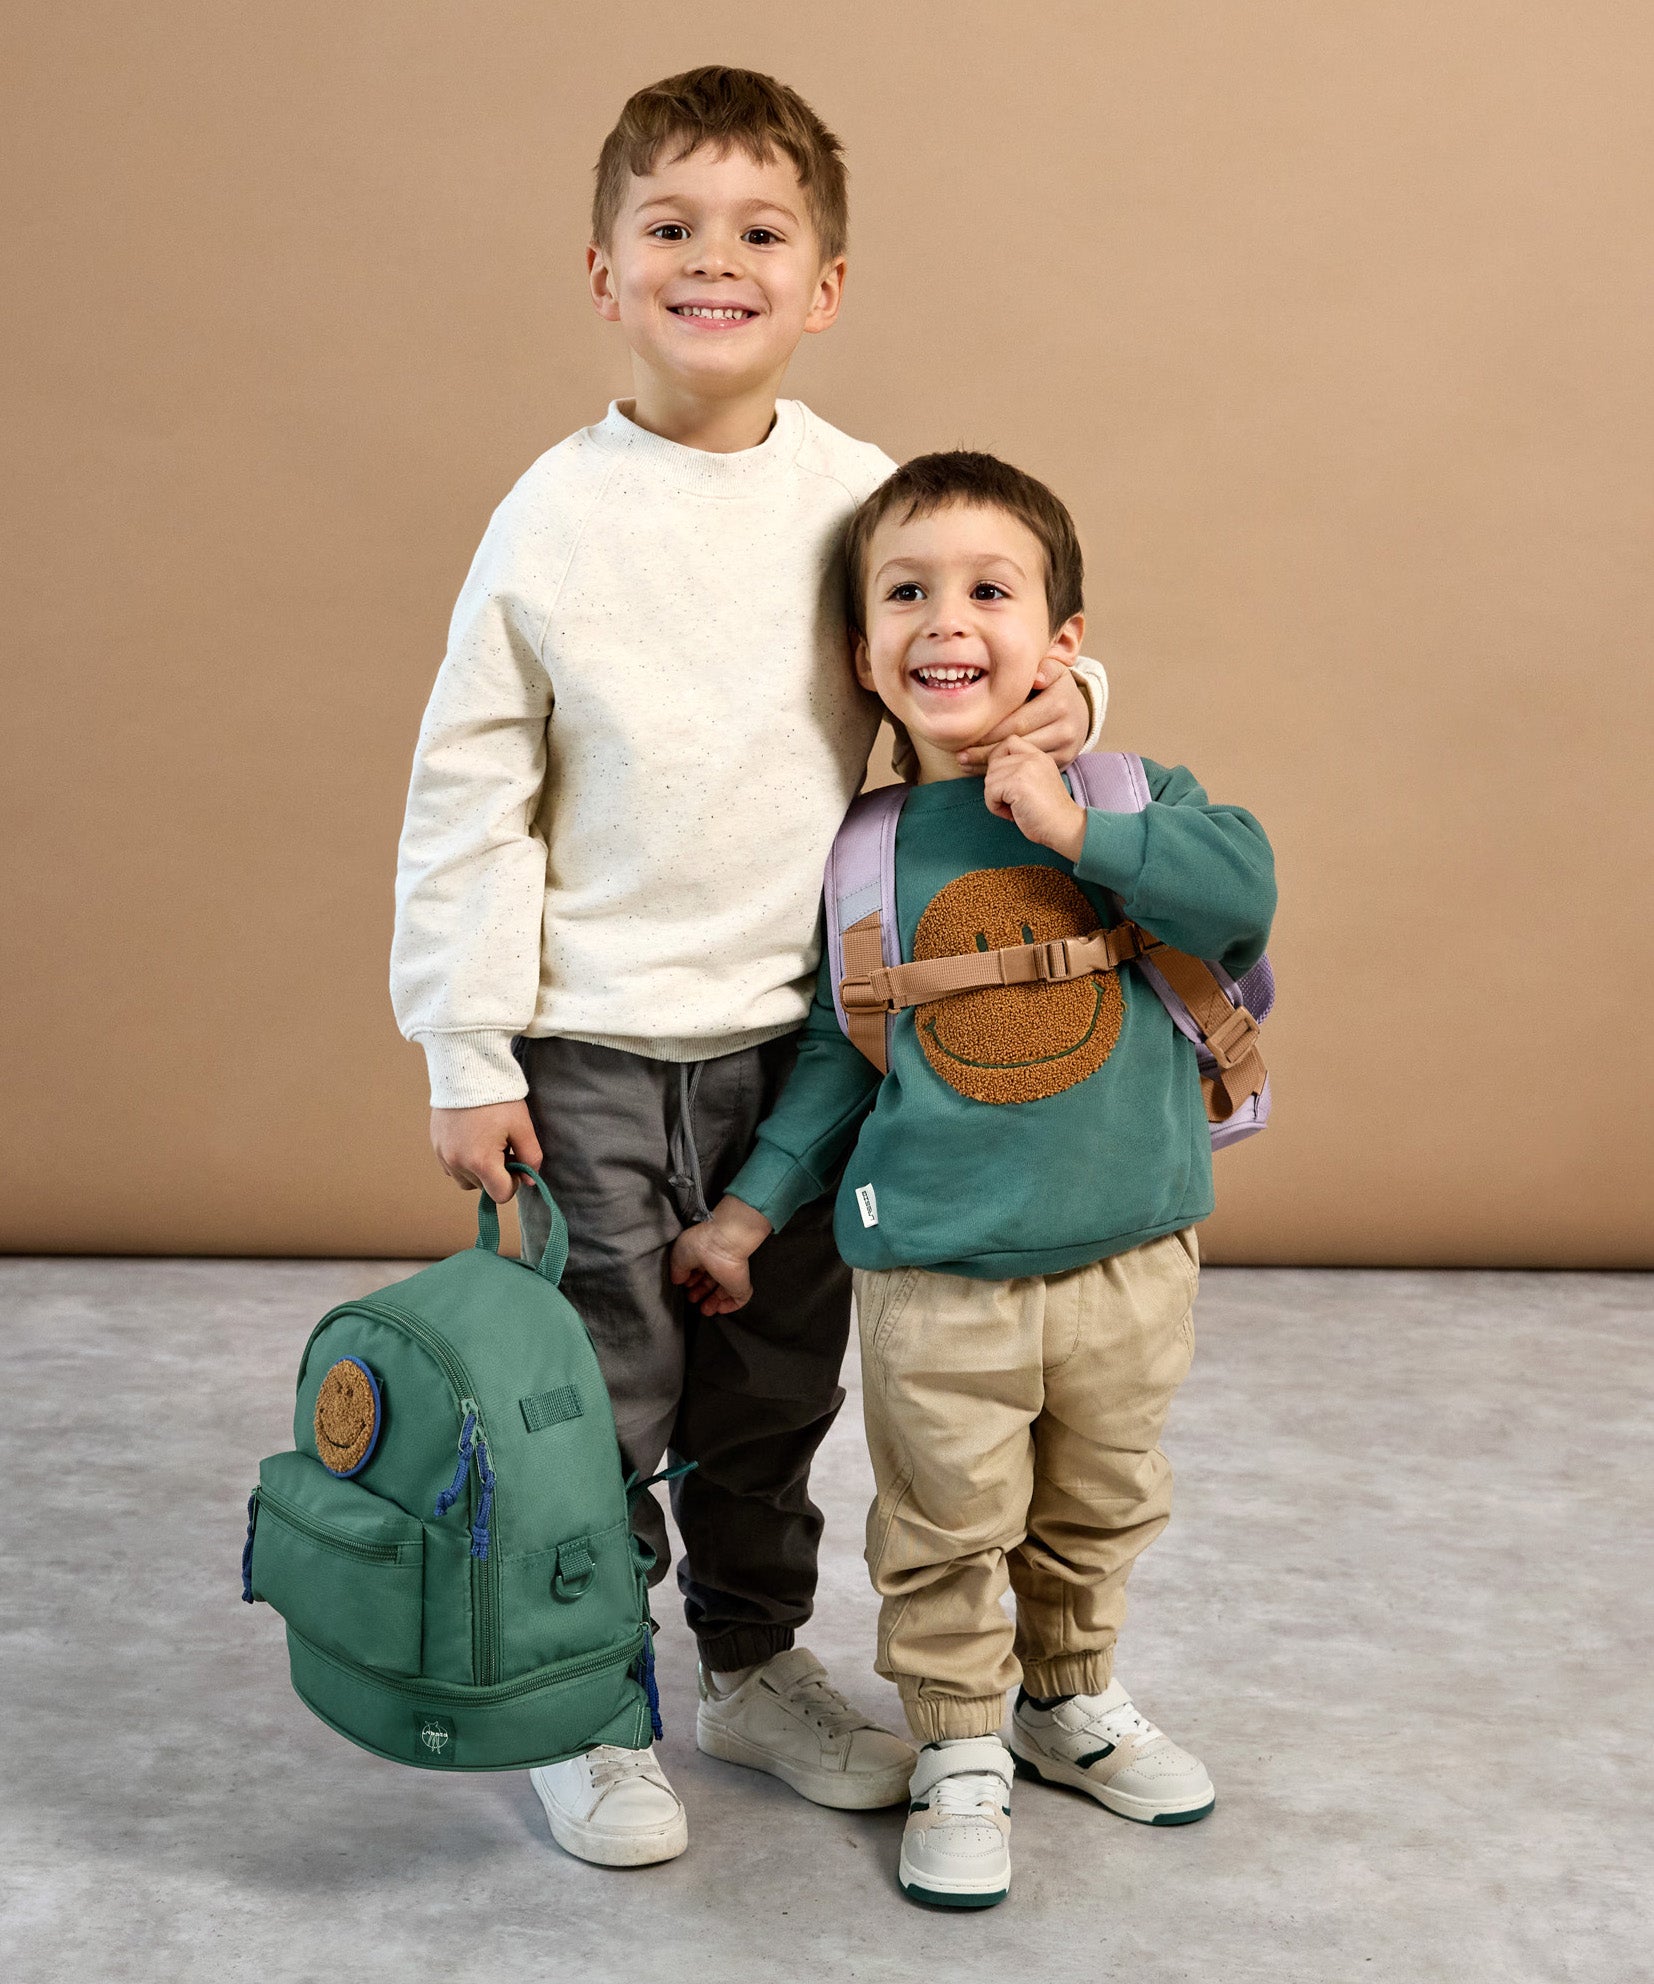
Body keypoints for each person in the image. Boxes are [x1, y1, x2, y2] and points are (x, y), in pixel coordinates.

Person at [390, 69, 1109, 1867]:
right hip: (589, 1048)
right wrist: (464, 1044)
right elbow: (469, 790)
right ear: (603, 269)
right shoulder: (552, 516)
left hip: (805, 1042)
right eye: (671, 230)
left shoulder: (860, 496)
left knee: (773, 1389)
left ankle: (751, 1665)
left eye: (760, 234)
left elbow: (995, 643)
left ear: (825, 285)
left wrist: (1078, 707)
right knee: (598, 1395)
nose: (715, 263)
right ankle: (585, 1697)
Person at [670, 450, 1277, 1908]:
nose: (948, 620)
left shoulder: (1137, 791)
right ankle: (955, 1746)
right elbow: (836, 1054)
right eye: (906, 594)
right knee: (942, 1521)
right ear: (861, 657)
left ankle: (1064, 1705)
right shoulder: (865, 853)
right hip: (933, 1264)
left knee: (1100, 1502)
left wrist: (1075, 824)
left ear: (1060, 645)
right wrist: (753, 1207)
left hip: (1133, 1245)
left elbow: (1237, 894)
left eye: (988, 591)